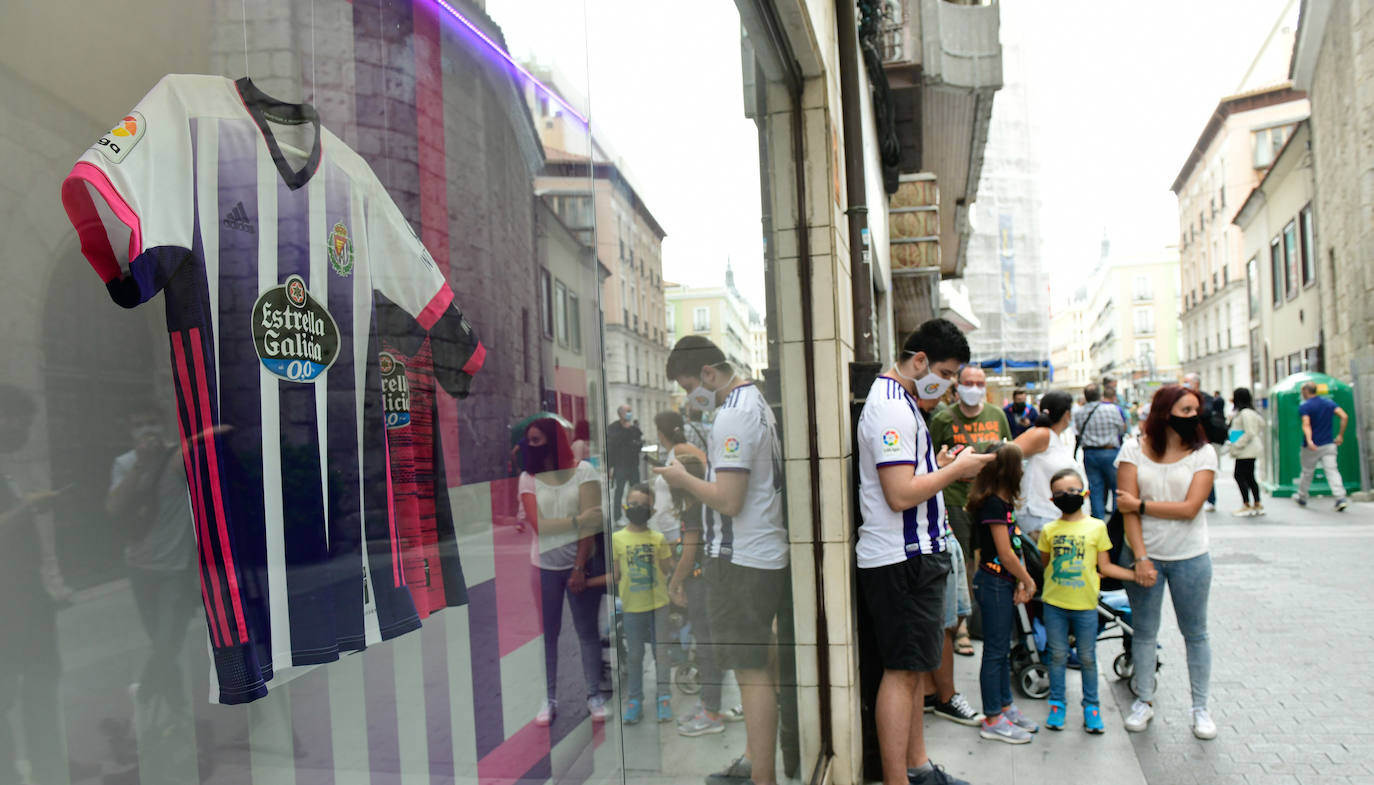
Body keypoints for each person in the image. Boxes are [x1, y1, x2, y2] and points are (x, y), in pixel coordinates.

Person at [853, 318, 992, 785]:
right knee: (902, 672)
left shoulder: (904, 403)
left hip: (913, 556)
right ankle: (901, 778)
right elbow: (899, 493)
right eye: (948, 374)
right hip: (903, 559)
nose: (952, 386)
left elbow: (908, 478)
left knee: (913, 670)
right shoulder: (892, 407)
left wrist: (944, 465)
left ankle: (918, 769)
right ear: (919, 362)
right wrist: (956, 472)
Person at [656, 335, 788, 785]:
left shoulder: (731, 416)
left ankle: (762, 778)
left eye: (689, 384)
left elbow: (728, 501)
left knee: (750, 673)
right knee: (760, 665)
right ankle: (755, 761)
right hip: (761, 554)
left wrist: (680, 477)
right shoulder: (757, 403)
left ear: (709, 374)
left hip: (740, 559)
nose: (689, 395)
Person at [1114, 385, 1218, 740]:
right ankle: (1144, 700)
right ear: (1164, 412)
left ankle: (1200, 708)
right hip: (1145, 557)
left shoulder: (1204, 454)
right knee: (1144, 633)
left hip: (1191, 557)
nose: (1192, 417)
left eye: (1194, 411)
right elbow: (1124, 512)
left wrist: (1141, 505)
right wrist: (1140, 557)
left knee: (1196, 633)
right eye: (1184, 411)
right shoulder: (1133, 449)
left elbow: (1191, 509)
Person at [105, 408, 199, 715]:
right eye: (139, 423)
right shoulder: (125, 463)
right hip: (140, 566)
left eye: (152, 422)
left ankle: (146, 692)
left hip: (176, 567)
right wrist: (140, 467)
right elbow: (114, 508)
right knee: (162, 643)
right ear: (130, 430)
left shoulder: (178, 457)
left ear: (163, 425)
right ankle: (176, 706)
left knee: (167, 640)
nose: (147, 428)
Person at [519, 416, 609, 726]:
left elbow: (593, 524)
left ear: (553, 440)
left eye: (536, 440)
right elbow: (539, 527)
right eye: (528, 440)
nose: (530, 446)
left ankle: (594, 694)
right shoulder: (527, 478)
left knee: (587, 633)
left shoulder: (584, 471)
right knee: (550, 635)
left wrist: (579, 567)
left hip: (578, 564)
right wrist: (576, 521)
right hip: (542, 567)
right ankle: (550, 697)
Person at [0, 385, 66, 785]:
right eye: (20, 419)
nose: (26, 428)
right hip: (8, 610)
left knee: (41, 691)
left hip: (28, 604)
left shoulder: (5, 469)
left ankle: (48, 771)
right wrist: (27, 507)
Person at [1036, 468, 1134, 734]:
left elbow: (1105, 566)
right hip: (1054, 604)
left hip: (1086, 606)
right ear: (1051, 499)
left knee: (1088, 657)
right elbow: (1046, 564)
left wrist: (1135, 575)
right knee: (1056, 656)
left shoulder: (1097, 527)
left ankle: (1092, 706)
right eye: (1059, 492)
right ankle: (1057, 704)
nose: (1066, 496)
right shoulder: (1049, 530)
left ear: (1085, 493)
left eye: (1071, 490)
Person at [928, 364, 1011, 656]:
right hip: (955, 497)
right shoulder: (942, 419)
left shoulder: (997, 415)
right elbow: (930, 459)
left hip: (988, 500)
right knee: (961, 560)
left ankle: (985, 620)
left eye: (979, 383)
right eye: (969, 382)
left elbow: (1008, 453)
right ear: (957, 386)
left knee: (991, 558)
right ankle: (960, 627)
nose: (974, 388)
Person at [968, 443, 1039, 744]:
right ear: (1008, 471)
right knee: (995, 652)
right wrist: (1029, 580)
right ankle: (993, 718)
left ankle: (1005, 707)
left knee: (1002, 650)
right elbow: (1004, 554)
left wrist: (1021, 581)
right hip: (994, 584)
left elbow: (1015, 547)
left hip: (1003, 583)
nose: (1023, 469)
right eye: (1019, 464)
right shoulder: (993, 506)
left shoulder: (1003, 503)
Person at [613, 483, 676, 724]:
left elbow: (667, 568)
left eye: (644, 506)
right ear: (625, 506)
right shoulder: (618, 538)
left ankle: (663, 698)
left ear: (652, 511)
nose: (639, 508)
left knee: (662, 652)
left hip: (659, 604)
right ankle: (635, 700)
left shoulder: (658, 538)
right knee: (635, 655)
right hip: (632, 607)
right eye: (634, 504)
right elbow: (617, 574)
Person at [1011, 390, 1076, 543]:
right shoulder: (1042, 434)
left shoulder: (1054, 437)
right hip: (1039, 517)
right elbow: (1005, 455)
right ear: (1067, 414)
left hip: (1051, 516)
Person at [1074, 383, 1127, 521]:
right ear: (1099, 395)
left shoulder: (1079, 412)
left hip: (1090, 454)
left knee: (1095, 488)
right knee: (1116, 488)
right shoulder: (1112, 409)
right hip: (1110, 452)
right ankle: (1116, 522)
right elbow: (1122, 429)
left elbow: (1078, 431)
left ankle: (1098, 522)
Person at [1297, 382, 1351, 511]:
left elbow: (1306, 424)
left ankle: (1302, 497)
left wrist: (1309, 440)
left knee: (1307, 472)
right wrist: (1340, 435)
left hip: (1311, 446)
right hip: (1328, 444)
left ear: (1305, 391)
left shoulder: (1305, 406)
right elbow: (1344, 416)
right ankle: (1340, 497)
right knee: (1332, 470)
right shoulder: (1328, 403)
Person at [1183, 373, 1224, 512]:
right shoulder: (1182, 398)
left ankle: (1210, 500)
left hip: (1204, 440)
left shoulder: (1206, 399)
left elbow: (1206, 414)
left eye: (1187, 381)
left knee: (1205, 470)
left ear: (1196, 383)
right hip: (1187, 440)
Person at [1228, 388, 1265, 517]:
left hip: (1245, 450)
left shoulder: (1245, 413)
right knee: (1249, 476)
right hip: (1248, 450)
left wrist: (1237, 444)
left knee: (1239, 475)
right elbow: (1261, 424)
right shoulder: (1250, 412)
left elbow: (1250, 432)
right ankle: (1256, 503)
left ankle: (1247, 504)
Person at [607, 404, 644, 520]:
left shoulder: (634, 428)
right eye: (627, 411)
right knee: (619, 492)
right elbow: (612, 446)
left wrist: (637, 444)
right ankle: (617, 517)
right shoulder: (613, 428)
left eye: (630, 411)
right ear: (620, 414)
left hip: (633, 464)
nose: (630, 414)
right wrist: (610, 467)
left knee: (636, 491)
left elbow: (639, 442)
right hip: (620, 465)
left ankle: (636, 515)